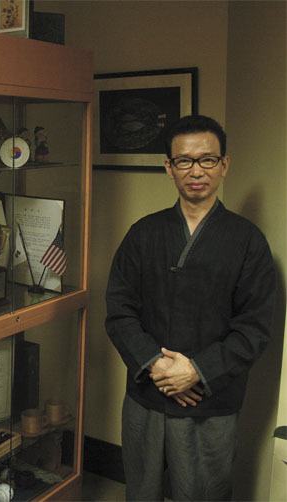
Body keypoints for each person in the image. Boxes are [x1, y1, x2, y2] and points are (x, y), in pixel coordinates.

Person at [105, 115, 276, 501]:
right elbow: (119, 309)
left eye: (208, 160)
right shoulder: (144, 233)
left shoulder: (248, 242)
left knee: (202, 494)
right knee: (141, 490)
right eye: (184, 160)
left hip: (208, 402)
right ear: (169, 167)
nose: (196, 171)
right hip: (147, 394)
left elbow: (254, 329)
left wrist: (196, 371)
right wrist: (157, 365)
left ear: (224, 165)